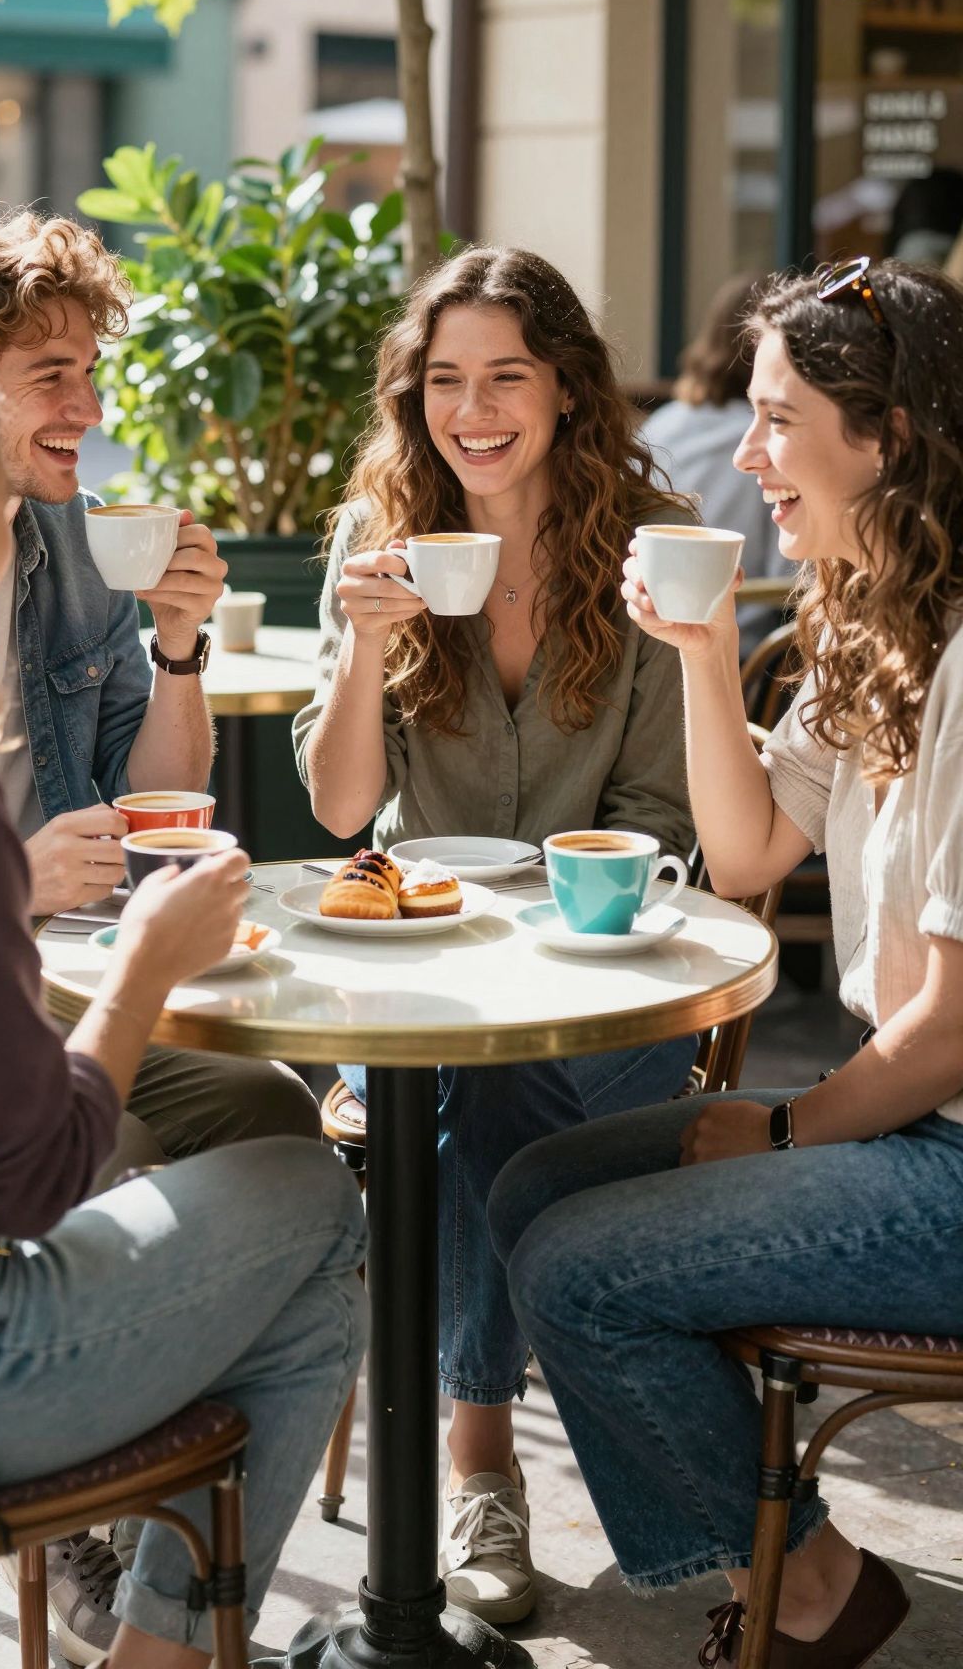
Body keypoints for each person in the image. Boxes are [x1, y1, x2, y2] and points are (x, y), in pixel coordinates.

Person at [0, 347, 367, 1669]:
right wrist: (146, 967)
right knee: (313, 1198)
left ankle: (160, 1648)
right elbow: (31, 1178)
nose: (20, 543)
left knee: (271, 1217)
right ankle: (164, 1653)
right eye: (1, 516)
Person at [490, 255, 963, 1666]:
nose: (745, 450)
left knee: (580, 1270)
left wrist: (778, 1124)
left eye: (777, 418)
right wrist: (702, 649)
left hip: (943, 1150)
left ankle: (806, 1596)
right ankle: (792, 1563)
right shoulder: (871, 618)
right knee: (535, 1187)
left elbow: (947, 1031)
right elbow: (751, 851)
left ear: (884, 437)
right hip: (908, 1131)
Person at [292, 245, 697, 1624]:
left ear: (567, 390)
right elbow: (346, 809)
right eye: (446, 379)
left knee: (495, 1091)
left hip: (614, 999)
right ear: (417, 401)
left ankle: (474, 1462)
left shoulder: (651, 549)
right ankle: (528, 1449)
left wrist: (554, 914)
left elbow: (658, 816)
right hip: (426, 987)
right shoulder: (378, 546)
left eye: (507, 377)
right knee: (481, 1079)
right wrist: (358, 649)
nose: (475, 410)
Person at [640, 271, 795, 658]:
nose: (745, 457)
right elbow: (791, 581)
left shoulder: (659, 426)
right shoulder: (778, 445)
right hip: (743, 658)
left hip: (647, 639)